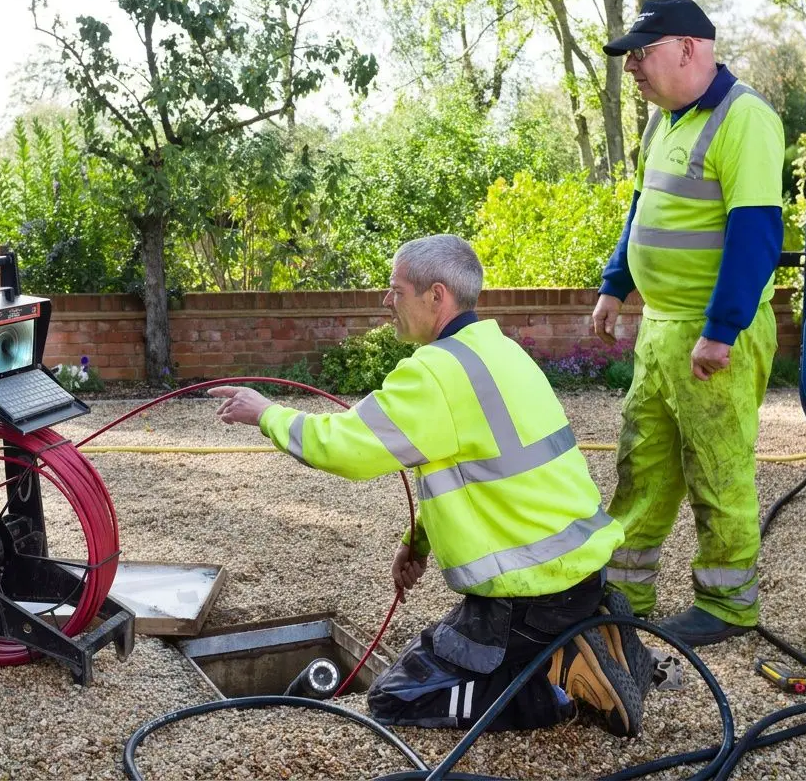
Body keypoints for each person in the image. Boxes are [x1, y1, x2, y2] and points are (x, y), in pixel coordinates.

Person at [210, 235, 651, 736]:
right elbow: (481, 476)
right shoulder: (500, 351)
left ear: (435, 296)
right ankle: (587, 627)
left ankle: (558, 679)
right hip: (574, 575)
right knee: (435, 665)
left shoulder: (438, 372)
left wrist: (263, 411)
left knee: (398, 699)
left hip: (530, 596)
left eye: (395, 289)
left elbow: (343, 447)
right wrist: (415, 542)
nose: (386, 300)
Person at [592, 0, 785, 646]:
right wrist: (616, 286)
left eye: (641, 55)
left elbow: (755, 234)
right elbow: (643, 212)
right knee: (642, 462)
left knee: (716, 467)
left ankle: (728, 606)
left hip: (711, 334)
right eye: (629, 59)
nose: (633, 70)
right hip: (662, 328)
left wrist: (723, 329)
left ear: (690, 48)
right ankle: (624, 590)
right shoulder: (661, 124)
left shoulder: (745, 119)